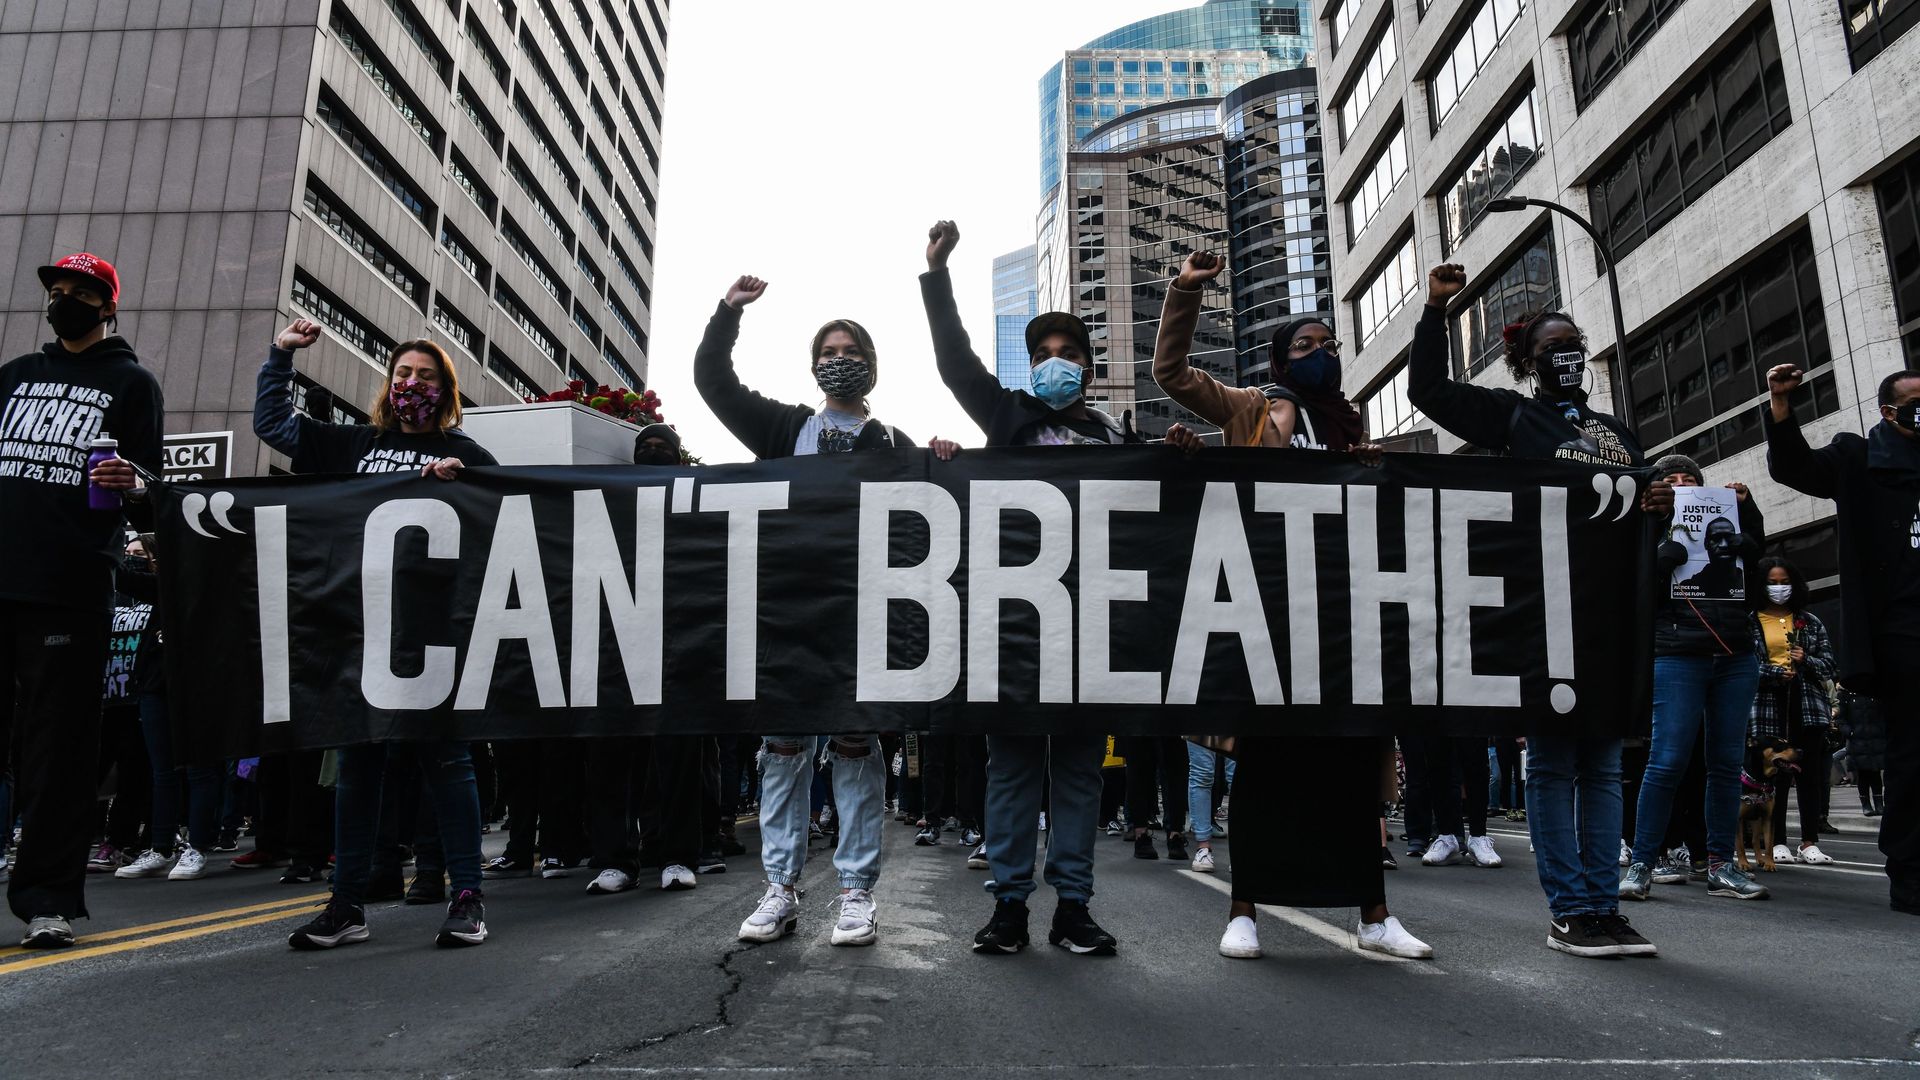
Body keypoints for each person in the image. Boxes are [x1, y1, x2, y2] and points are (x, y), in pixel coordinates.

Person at [1152, 250, 1431, 960]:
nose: (1321, 356)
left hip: (1341, 614)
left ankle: (1373, 915)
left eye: (1328, 346)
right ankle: (1244, 911)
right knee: (1266, 766)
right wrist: (1186, 289)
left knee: (1352, 758)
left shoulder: (1351, 426)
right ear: (1279, 362)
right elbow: (1173, 375)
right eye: (1305, 347)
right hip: (1268, 609)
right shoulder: (1251, 407)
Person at [694, 272, 957, 948]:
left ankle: (855, 892)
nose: (838, 358)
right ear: (813, 367)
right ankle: (779, 887)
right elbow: (714, 382)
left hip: (860, 619)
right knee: (783, 749)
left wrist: (945, 461)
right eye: (827, 350)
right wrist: (729, 313)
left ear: (870, 364)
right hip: (787, 613)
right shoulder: (784, 427)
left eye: (850, 349)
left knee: (853, 746)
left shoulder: (896, 446)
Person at [1408, 261, 1663, 958]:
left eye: (1574, 341)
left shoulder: (1617, 432)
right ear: (1529, 362)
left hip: (1611, 621)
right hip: (1549, 615)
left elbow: (1636, 518)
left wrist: (1658, 503)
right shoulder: (1515, 416)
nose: (1568, 354)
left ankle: (1607, 907)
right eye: (1552, 347)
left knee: (1604, 767)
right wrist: (1436, 310)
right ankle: (1571, 908)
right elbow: (1427, 390)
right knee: (1553, 765)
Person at [921, 219, 1133, 957]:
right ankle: (1008, 905)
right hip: (1011, 631)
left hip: (1087, 634)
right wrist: (937, 272)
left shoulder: (1115, 442)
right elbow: (954, 362)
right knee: (1011, 772)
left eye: (1068, 353)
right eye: (1041, 353)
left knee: (1078, 775)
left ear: (1088, 367)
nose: (1054, 362)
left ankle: (1072, 906)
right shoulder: (1005, 415)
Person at [255, 319, 495, 949]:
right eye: (403, 374)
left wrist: (466, 487)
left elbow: (506, 521)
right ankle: (348, 903)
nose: (412, 383)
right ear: (389, 384)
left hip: (432, 635)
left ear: (446, 390)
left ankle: (466, 895)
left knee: (446, 760)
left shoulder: (468, 457)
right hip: (359, 631)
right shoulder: (353, 444)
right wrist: (281, 356)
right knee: (359, 767)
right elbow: (276, 427)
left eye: (426, 375)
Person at [0, 252, 163, 948]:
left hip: (67, 593)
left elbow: (151, 494)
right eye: (57, 291)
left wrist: (137, 483)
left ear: (108, 308)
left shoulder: (131, 384)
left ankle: (47, 899)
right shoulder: (13, 378)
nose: (63, 300)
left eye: (80, 292)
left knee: (58, 756)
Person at [1764, 363, 1918, 915]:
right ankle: (1909, 871)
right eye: (1914, 404)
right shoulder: (1860, 458)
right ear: (1888, 411)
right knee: (1913, 751)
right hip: (1902, 629)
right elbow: (1794, 467)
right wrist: (1782, 406)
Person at [1619, 456, 1769, 903]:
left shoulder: (1729, 532)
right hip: (1679, 653)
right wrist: (1663, 556)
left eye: (1691, 480)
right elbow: (1629, 591)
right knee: (1667, 760)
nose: (1682, 484)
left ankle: (1721, 864)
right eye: (1672, 480)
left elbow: (1759, 583)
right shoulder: (1647, 527)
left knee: (1725, 765)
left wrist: (1749, 516)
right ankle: (1644, 861)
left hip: (1735, 654)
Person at [583, 424, 708, 895]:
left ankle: (676, 856)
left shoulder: (695, 502)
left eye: (662, 449)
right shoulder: (612, 500)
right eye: (644, 448)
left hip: (676, 646)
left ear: (678, 460)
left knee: (678, 758)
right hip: (615, 644)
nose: (652, 452)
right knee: (611, 756)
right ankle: (615, 859)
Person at [111, 533, 224, 882]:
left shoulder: (209, 586)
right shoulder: (161, 588)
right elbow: (126, 578)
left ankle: (198, 846)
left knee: (199, 768)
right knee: (162, 771)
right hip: (156, 687)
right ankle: (160, 847)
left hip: (197, 687)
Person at [1747, 556, 1839, 867]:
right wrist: (1772, 673)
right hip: (1769, 709)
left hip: (1809, 707)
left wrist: (1805, 661)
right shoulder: (1752, 621)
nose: (1779, 588)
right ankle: (1779, 841)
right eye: (1772, 582)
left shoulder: (1810, 622)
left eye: (1783, 581)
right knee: (1777, 778)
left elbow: (1829, 664)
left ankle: (1810, 841)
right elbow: (1743, 666)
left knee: (1810, 775)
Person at [1837, 690, 1887, 818]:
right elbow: (1841, 719)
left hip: (1874, 738)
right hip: (1857, 740)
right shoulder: (1847, 695)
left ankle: (1879, 804)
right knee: (1863, 773)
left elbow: (1882, 715)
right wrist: (1850, 732)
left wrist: (1881, 730)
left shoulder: (1874, 694)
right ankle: (1866, 804)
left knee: (1875, 772)